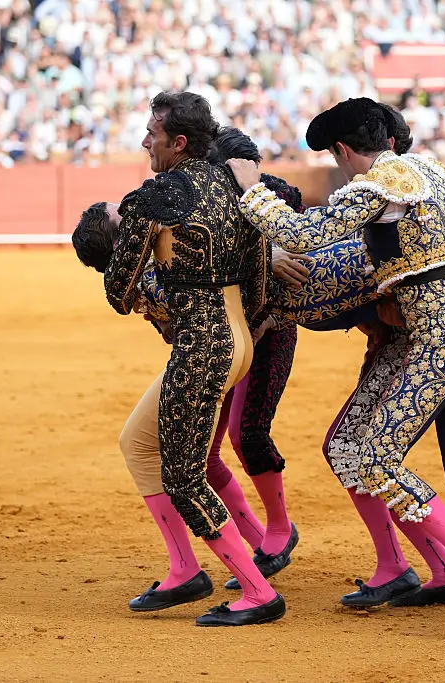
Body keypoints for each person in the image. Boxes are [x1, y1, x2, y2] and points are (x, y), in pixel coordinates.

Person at [229, 98, 445, 631]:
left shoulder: (376, 186)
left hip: (437, 342)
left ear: (343, 150)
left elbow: (300, 236)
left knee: (374, 459)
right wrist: (401, 273)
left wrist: (252, 190)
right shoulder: (432, 174)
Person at [103, 91, 284, 627]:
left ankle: (257, 592)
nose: (145, 142)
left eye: (152, 134)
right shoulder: (231, 185)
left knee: (184, 476)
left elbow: (119, 291)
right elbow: (257, 280)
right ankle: (184, 568)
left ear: (178, 142)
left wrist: (140, 249)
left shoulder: (156, 198)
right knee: (138, 442)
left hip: (202, 345)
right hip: (238, 339)